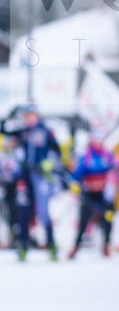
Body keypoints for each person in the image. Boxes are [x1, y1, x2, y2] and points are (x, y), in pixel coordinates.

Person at [16, 106, 63, 260]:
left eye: (29, 115)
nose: (27, 118)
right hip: (25, 175)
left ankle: (52, 245)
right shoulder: (23, 131)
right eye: (25, 116)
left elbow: (57, 152)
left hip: (40, 175)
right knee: (23, 209)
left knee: (43, 212)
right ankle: (23, 245)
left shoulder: (46, 131)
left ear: (36, 115)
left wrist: (48, 163)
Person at [68, 131, 117, 259]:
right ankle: (76, 246)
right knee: (84, 219)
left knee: (108, 218)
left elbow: (113, 170)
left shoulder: (107, 155)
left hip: (104, 193)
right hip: (89, 192)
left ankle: (106, 244)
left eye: (100, 141)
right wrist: (75, 179)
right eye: (96, 140)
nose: (98, 143)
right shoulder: (86, 156)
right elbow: (77, 175)